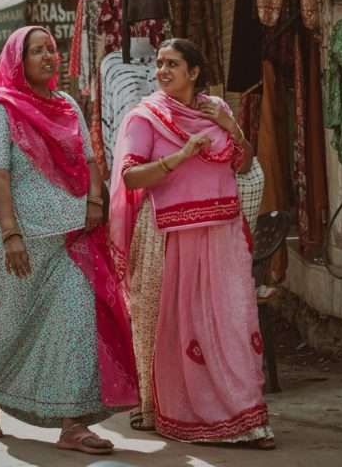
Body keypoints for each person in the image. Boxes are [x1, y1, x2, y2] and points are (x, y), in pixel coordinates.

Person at [0, 26, 138, 452]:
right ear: (17, 62)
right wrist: (10, 234)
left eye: (51, 50)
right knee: (9, 327)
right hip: (19, 244)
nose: (48, 57)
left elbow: (91, 158)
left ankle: (72, 424)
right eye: (37, 51)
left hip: (68, 243)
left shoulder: (66, 106)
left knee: (77, 318)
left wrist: (95, 202)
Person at [110, 38, 276, 450]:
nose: (162, 71)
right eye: (160, 64)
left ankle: (246, 416)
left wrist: (230, 127)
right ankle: (186, 412)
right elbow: (131, 178)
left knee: (231, 322)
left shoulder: (215, 110)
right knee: (180, 326)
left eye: (172, 64)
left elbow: (245, 161)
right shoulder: (144, 117)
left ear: (194, 72)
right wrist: (180, 156)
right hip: (170, 234)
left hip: (221, 232)